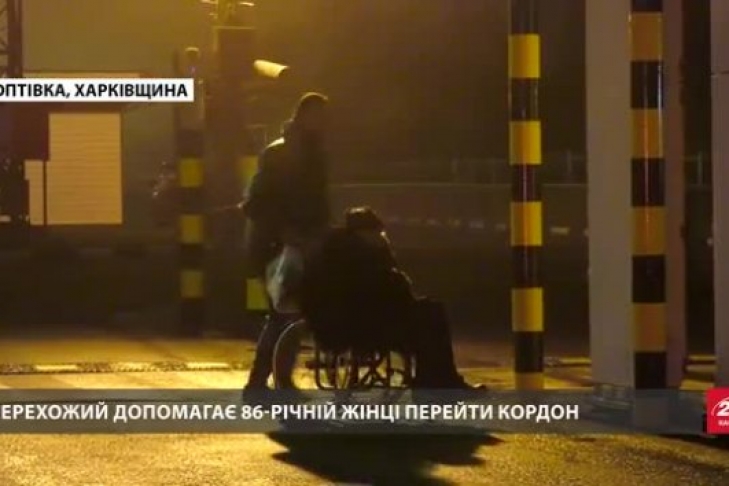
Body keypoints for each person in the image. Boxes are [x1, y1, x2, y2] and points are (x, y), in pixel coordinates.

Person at [300, 207, 484, 390]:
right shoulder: (360, 258)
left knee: (430, 313)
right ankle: (437, 378)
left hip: (354, 323)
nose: (382, 236)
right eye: (378, 232)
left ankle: (435, 378)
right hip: (363, 327)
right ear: (365, 232)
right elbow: (386, 292)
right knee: (431, 318)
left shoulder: (341, 254)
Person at [242, 92, 331, 395]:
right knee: (285, 314)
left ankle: (273, 380)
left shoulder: (312, 154)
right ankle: (263, 381)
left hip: (299, 243)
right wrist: (285, 232)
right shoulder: (281, 153)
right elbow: (259, 202)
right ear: (303, 116)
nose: (322, 122)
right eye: (318, 116)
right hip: (276, 245)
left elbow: (317, 204)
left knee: (289, 314)